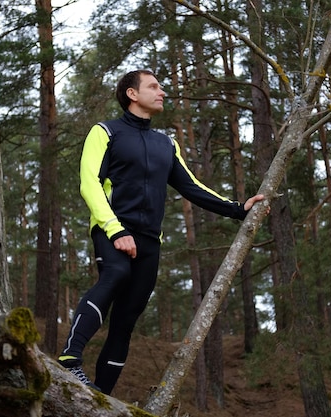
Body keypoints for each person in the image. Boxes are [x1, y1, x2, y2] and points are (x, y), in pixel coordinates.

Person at [58, 69, 266, 394]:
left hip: (149, 242)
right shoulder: (105, 132)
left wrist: (238, 209)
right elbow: (90, 184)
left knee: (127, 318)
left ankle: (99, 398)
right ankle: (70, 361)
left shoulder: (165, 144)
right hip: (112, 227)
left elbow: (192, 187)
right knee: (114, 276)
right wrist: (114, 229)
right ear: (131, 94)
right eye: (153, 87)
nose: (162, 92)